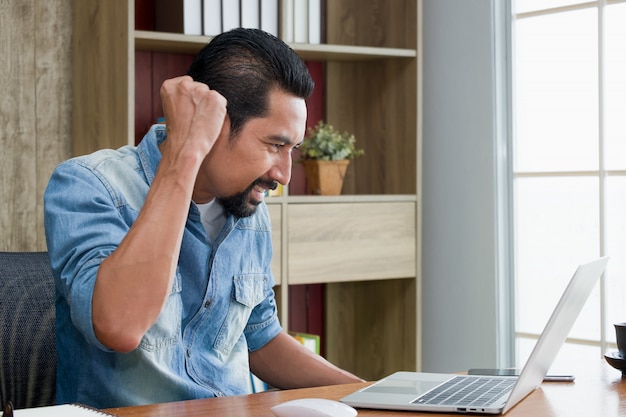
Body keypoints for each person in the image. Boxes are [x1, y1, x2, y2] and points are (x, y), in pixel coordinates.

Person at [44, 28, 363, 409]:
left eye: (292, 149)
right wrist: (185, 152)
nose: (285, 174)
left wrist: (370, 391)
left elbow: (261, 339)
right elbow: (120, 327)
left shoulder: (247, 206)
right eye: (275, 145)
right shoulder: (89, 184)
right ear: (215, 122)